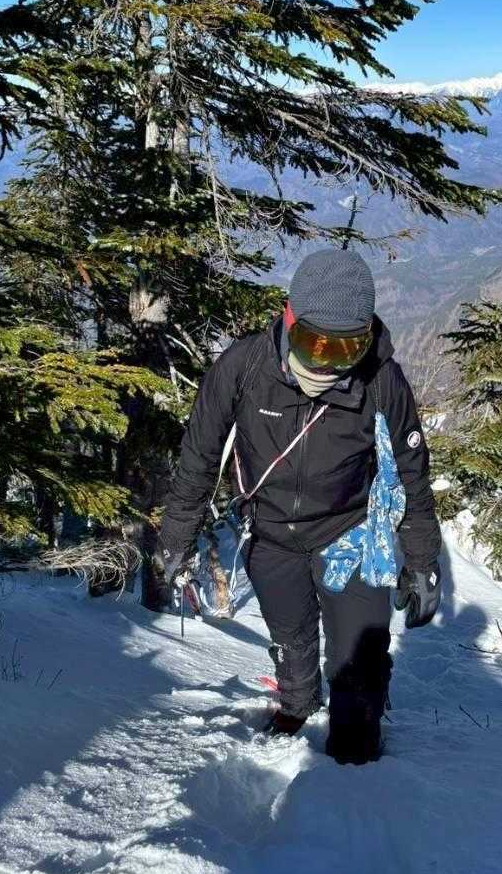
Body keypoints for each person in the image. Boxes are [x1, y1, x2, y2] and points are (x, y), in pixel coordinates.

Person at [157, 248, 442, 764]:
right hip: (269, 533)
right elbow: (199, 456)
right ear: (289, 320)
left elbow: (410, 473)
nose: (327, 363)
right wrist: (177, 537)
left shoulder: (382, 380)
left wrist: (422, 561)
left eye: (347, 347)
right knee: (291, 639)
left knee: (359, 660)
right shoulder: (243, 368)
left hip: (349, 532)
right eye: (315, 344)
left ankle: (357, 745)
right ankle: (296, 702)